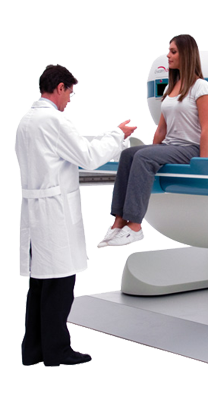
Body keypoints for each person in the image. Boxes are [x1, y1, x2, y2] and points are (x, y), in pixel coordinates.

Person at [15, 64, 137, 367]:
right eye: (70, 93)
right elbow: (89, 156)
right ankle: (57, 351)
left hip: (36, 211)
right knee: (59, 286)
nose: (70, 99)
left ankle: (34, 350)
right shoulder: (53, 121)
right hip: (53, 213)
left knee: (39, 285)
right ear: (59, 88)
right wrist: (118, 134)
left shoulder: (27, 120)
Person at [100, 34, 208, 247]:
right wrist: (152, 152)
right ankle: (118, 221)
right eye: (168, 51)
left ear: (186, 54)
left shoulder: (201, 87)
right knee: (128, 154)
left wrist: (203, 166)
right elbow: (161, 129)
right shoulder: (172, 87)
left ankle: (135, 226)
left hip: (190, 149)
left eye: (173, 51)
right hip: (171, 146)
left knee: (143, 157)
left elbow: (206, 129)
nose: (168, 55)